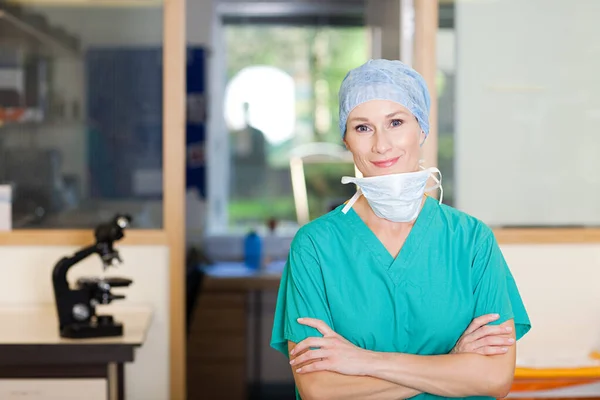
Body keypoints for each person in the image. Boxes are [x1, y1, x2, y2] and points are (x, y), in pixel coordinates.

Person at [270, 59, 531, 400]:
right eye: (362, 127)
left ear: (422, 128)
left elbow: (494, 378)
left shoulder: (470, 240)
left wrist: (363, 362)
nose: (381, 145)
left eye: (396, 122)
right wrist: (450, 364)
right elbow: (319, 390)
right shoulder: (315, 246)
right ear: (346, 139)